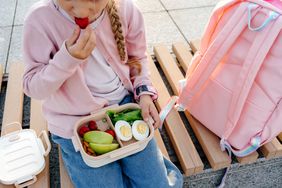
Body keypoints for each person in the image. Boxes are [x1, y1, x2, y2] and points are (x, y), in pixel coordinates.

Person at [22, 0, 183, 187]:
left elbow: (137, 58)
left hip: (123, 107)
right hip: (73, 121)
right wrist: (67, 59)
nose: (82, 12)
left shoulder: (127, 9)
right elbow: (33, 87)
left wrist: (144, 93)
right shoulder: (39, 20)